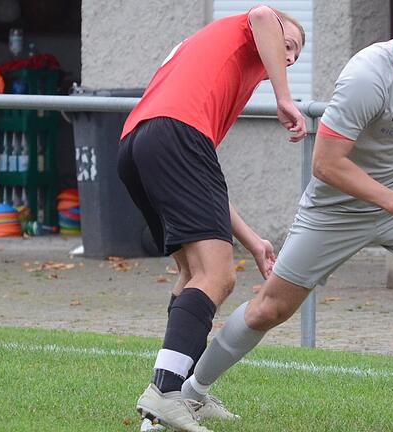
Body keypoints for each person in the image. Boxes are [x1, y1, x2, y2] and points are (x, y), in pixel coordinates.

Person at [182, 0, 393, 430]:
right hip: (338, 209)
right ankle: (191, 393)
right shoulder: (367, 76)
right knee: (268, 310)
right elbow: (325, 164)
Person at [117, 5, 306, 432]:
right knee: (217, 277)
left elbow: (204, 183)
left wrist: (254, 239)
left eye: (294, 54)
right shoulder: (253, 24)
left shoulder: (214, 77)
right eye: (288, 45)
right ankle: (165, 394)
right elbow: (261, 15)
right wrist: (284, 96)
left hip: (137, 142)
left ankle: (175, 397)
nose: (288, 57)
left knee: (191, 274)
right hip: (173, 136)